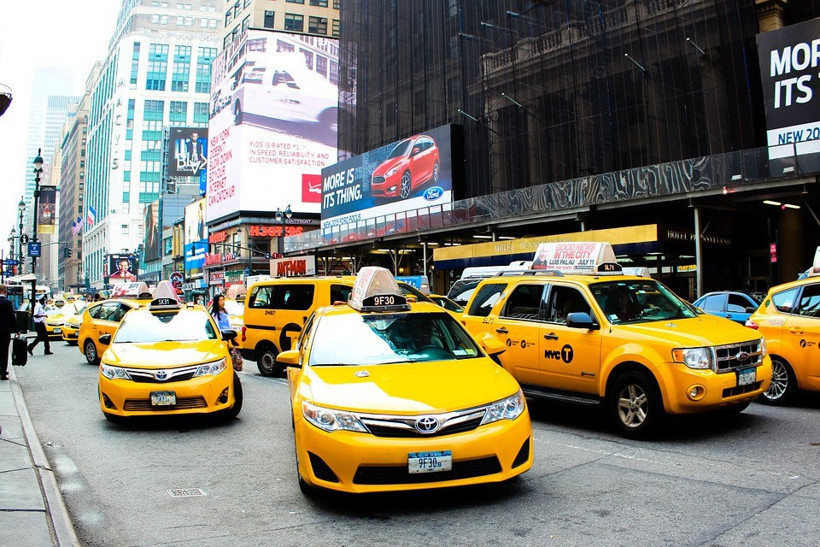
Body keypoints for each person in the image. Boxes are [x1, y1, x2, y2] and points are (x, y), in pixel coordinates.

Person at [0, 284, 20, 380]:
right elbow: (12, 318)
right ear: (5, 291)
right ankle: (3, 373)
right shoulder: (7, 302)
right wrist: (17, 330)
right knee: (4, 351)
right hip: (4, 332)